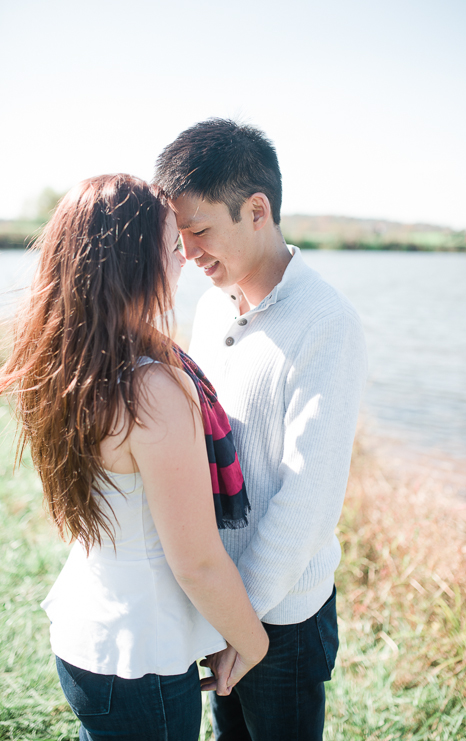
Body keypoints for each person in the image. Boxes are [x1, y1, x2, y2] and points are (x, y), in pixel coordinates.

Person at [0, 174, 269, 740]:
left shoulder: (64, 362)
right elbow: (195, 561)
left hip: (86, 635)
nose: (183, 261)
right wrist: (252, 641)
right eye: (172, 247)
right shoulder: (149, 391)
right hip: (142, 657)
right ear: (132, 262)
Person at [153, 119, 367, 740]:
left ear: (256, 210)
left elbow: (309, 500)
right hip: (220, 601)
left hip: (282, 621)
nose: (187, 254)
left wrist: (239, 621)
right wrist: (218, 611)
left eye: (198, 231)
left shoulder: (326, 323)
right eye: (180, 235)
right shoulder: (210, 305)